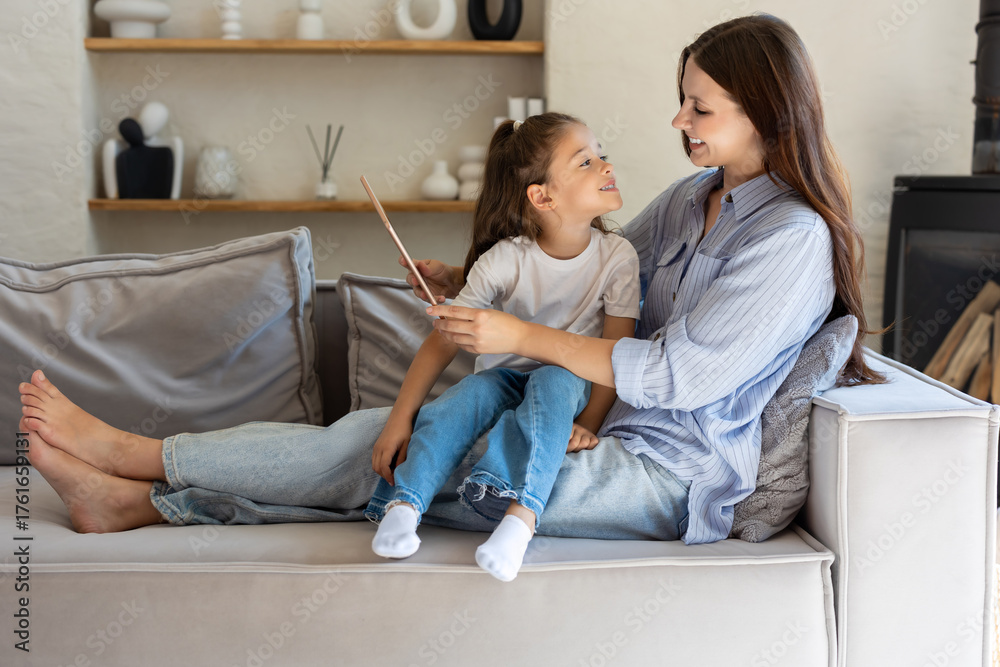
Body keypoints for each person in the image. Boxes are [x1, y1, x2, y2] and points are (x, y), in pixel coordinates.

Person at [18, 14, 883, 557]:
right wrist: (472, 284)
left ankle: (137, 460)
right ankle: (140, 504)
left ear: (766, 114)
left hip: (668, 474)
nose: (677, 120)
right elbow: (585, 259)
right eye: (682, 100)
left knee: (400, 449)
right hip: (595, 429)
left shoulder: (791, 239)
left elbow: (682, 375)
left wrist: (520, 338)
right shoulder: (695, 198)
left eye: (700, 108)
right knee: (408, 456)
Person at [366, 113, 639, 581]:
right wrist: (399, 419)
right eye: (586, 162)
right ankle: (403, 509)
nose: (605, 166)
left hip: (568, 383)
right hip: (502, 380)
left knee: (554, 379)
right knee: (467, 395)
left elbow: (618, 354)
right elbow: (442, 341)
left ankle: (519, 522)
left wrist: (589, 423)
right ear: (542, 197)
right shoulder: (504, 260)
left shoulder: (618, 258)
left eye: (602, 156)